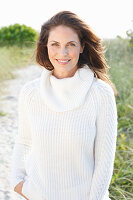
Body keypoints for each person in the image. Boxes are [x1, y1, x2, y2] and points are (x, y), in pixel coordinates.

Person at [11, 10, 118, 200]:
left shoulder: (100, 94)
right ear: (45, 47)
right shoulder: (30, 93)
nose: (63, 53)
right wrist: (18, 183)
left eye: (71, 44)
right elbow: (24, 142)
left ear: (82, 47)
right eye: (55, 44)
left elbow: (104, 160)